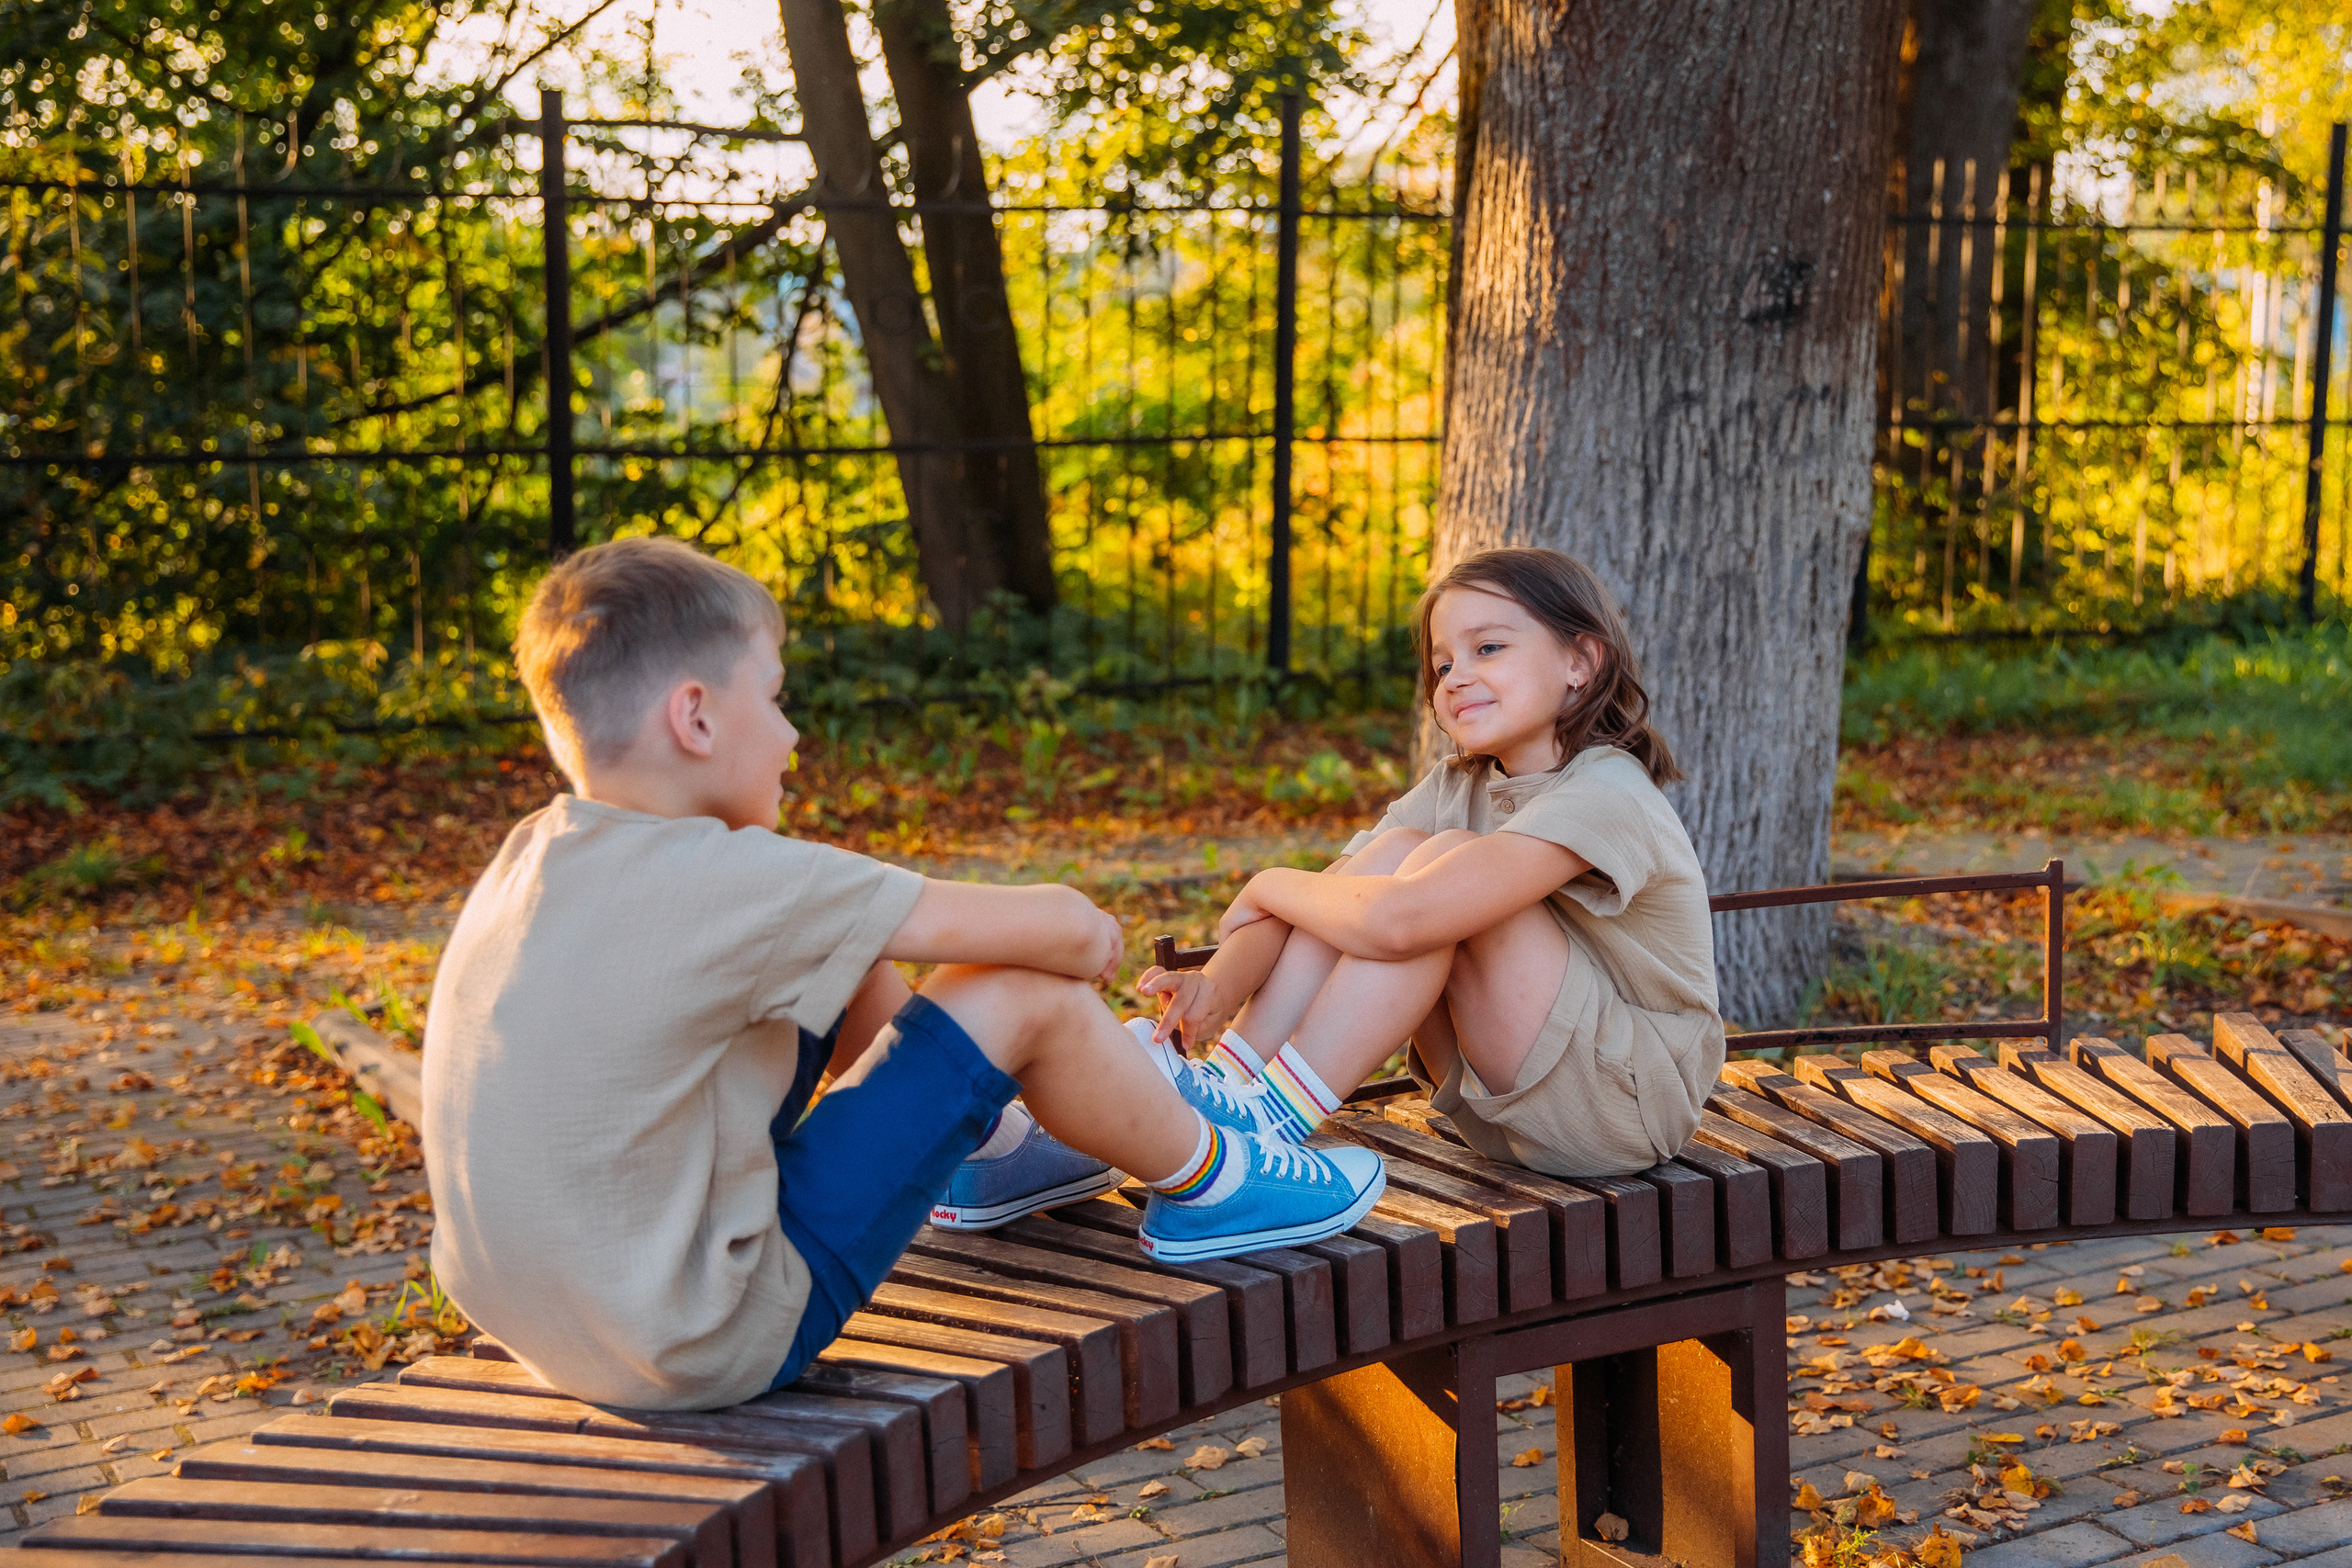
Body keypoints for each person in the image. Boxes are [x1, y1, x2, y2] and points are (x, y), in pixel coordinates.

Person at [421, 536, 1384, 1413]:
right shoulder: (735, 881)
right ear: (696, 717)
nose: (792, 736)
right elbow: (1070, 942)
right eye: (776, 696)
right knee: (1025, 996)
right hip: (704, 1336)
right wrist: (1080, 929)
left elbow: (835, 928)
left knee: (842, 940)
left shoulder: (530, 858)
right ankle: (1217, 1180)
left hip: (546, 1320)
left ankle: (993, 1147)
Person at [1134, 547, 1723, 1179]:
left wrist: (1267, 881)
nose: (1456, 677)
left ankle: (1270, 1123)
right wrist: (1217, 986)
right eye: (1443, 664)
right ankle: (1230, 1077)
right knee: (1394, 853)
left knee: (1435, 869)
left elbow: (1398, 922)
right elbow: (1333, 900)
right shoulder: (1456, 787)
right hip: (1489, 1106)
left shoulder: (1609, 791)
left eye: (1488, 649)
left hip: (1621, 1105)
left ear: (1580, 661)